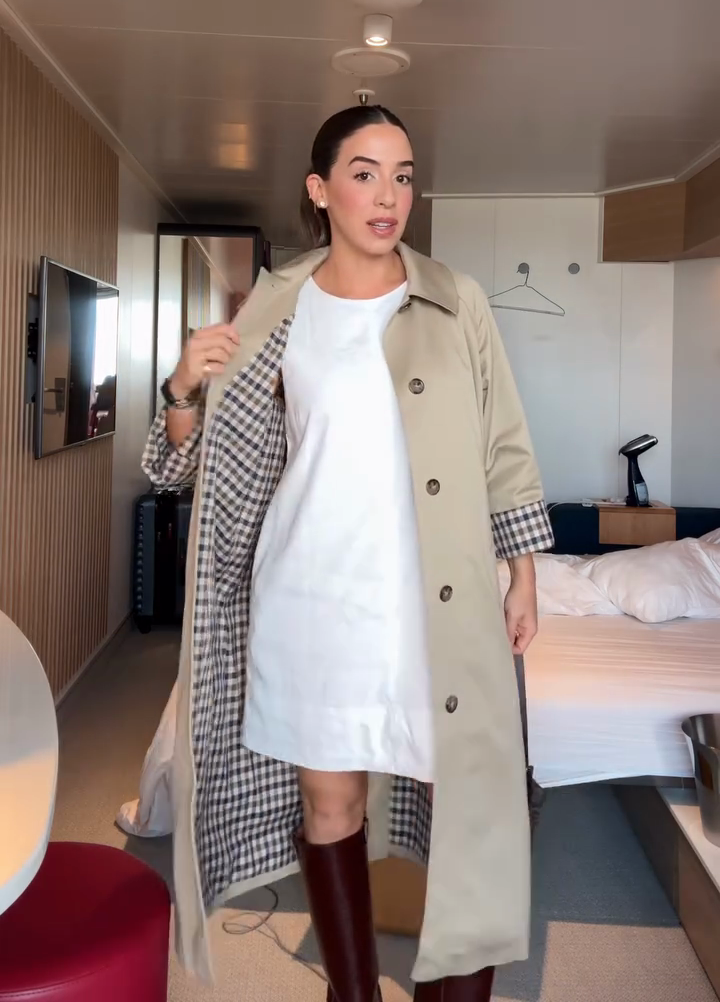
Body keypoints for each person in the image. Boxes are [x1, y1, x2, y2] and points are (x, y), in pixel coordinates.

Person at [142, 104, 553, 1002]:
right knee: (332, 807)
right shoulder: (274, 311)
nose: (388, 195)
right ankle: (353, 993)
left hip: (432, 604)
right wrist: (180, 387)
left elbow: (504, 444)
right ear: (320, 190)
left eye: (403, 175)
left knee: (466, 808)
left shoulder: (456, 300)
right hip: (312, 600)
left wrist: (523, 573)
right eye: (364, 174)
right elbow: (195, 467)